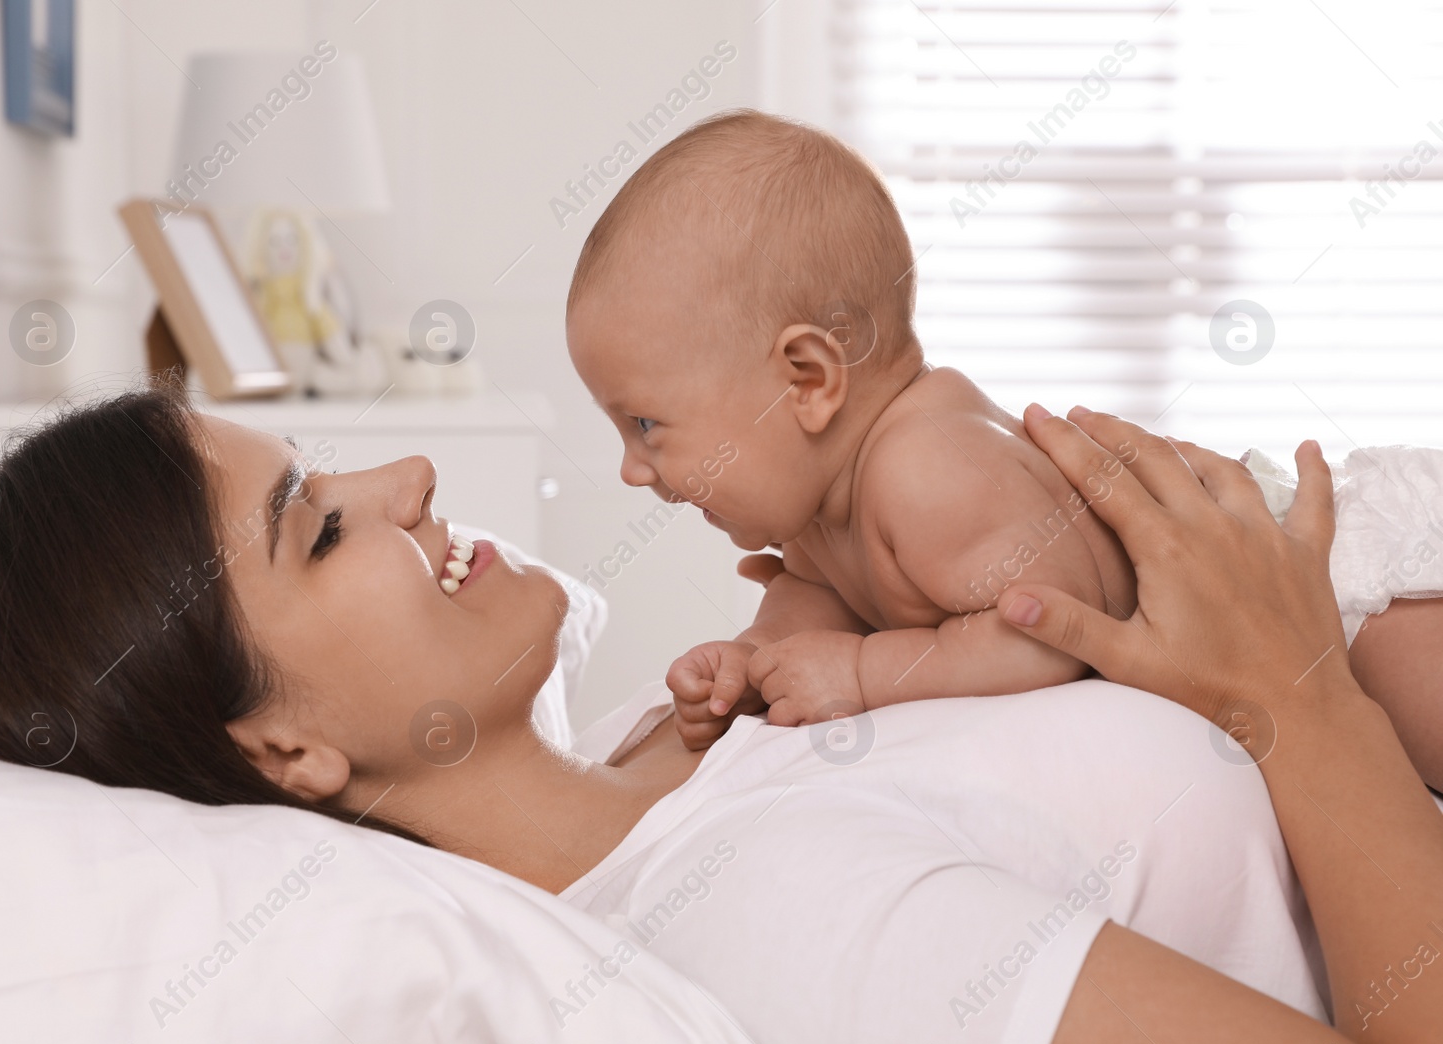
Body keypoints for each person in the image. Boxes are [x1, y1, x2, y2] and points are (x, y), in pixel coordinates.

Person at [0, 388, 1440, 1044]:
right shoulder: (777, 914)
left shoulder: (663, 738)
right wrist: (1296, 689)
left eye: (332, 466)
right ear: (283, 755)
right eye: (319, 530)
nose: (406, 485)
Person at [564, 110, 1443, 787]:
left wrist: (866, 674)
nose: (632, 469)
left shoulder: (925, 472)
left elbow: (1046, 631)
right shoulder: (819, 516)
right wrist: (753, 666)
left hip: (1323, 578)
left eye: (645, 425)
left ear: (807, 378)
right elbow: (816, 609)